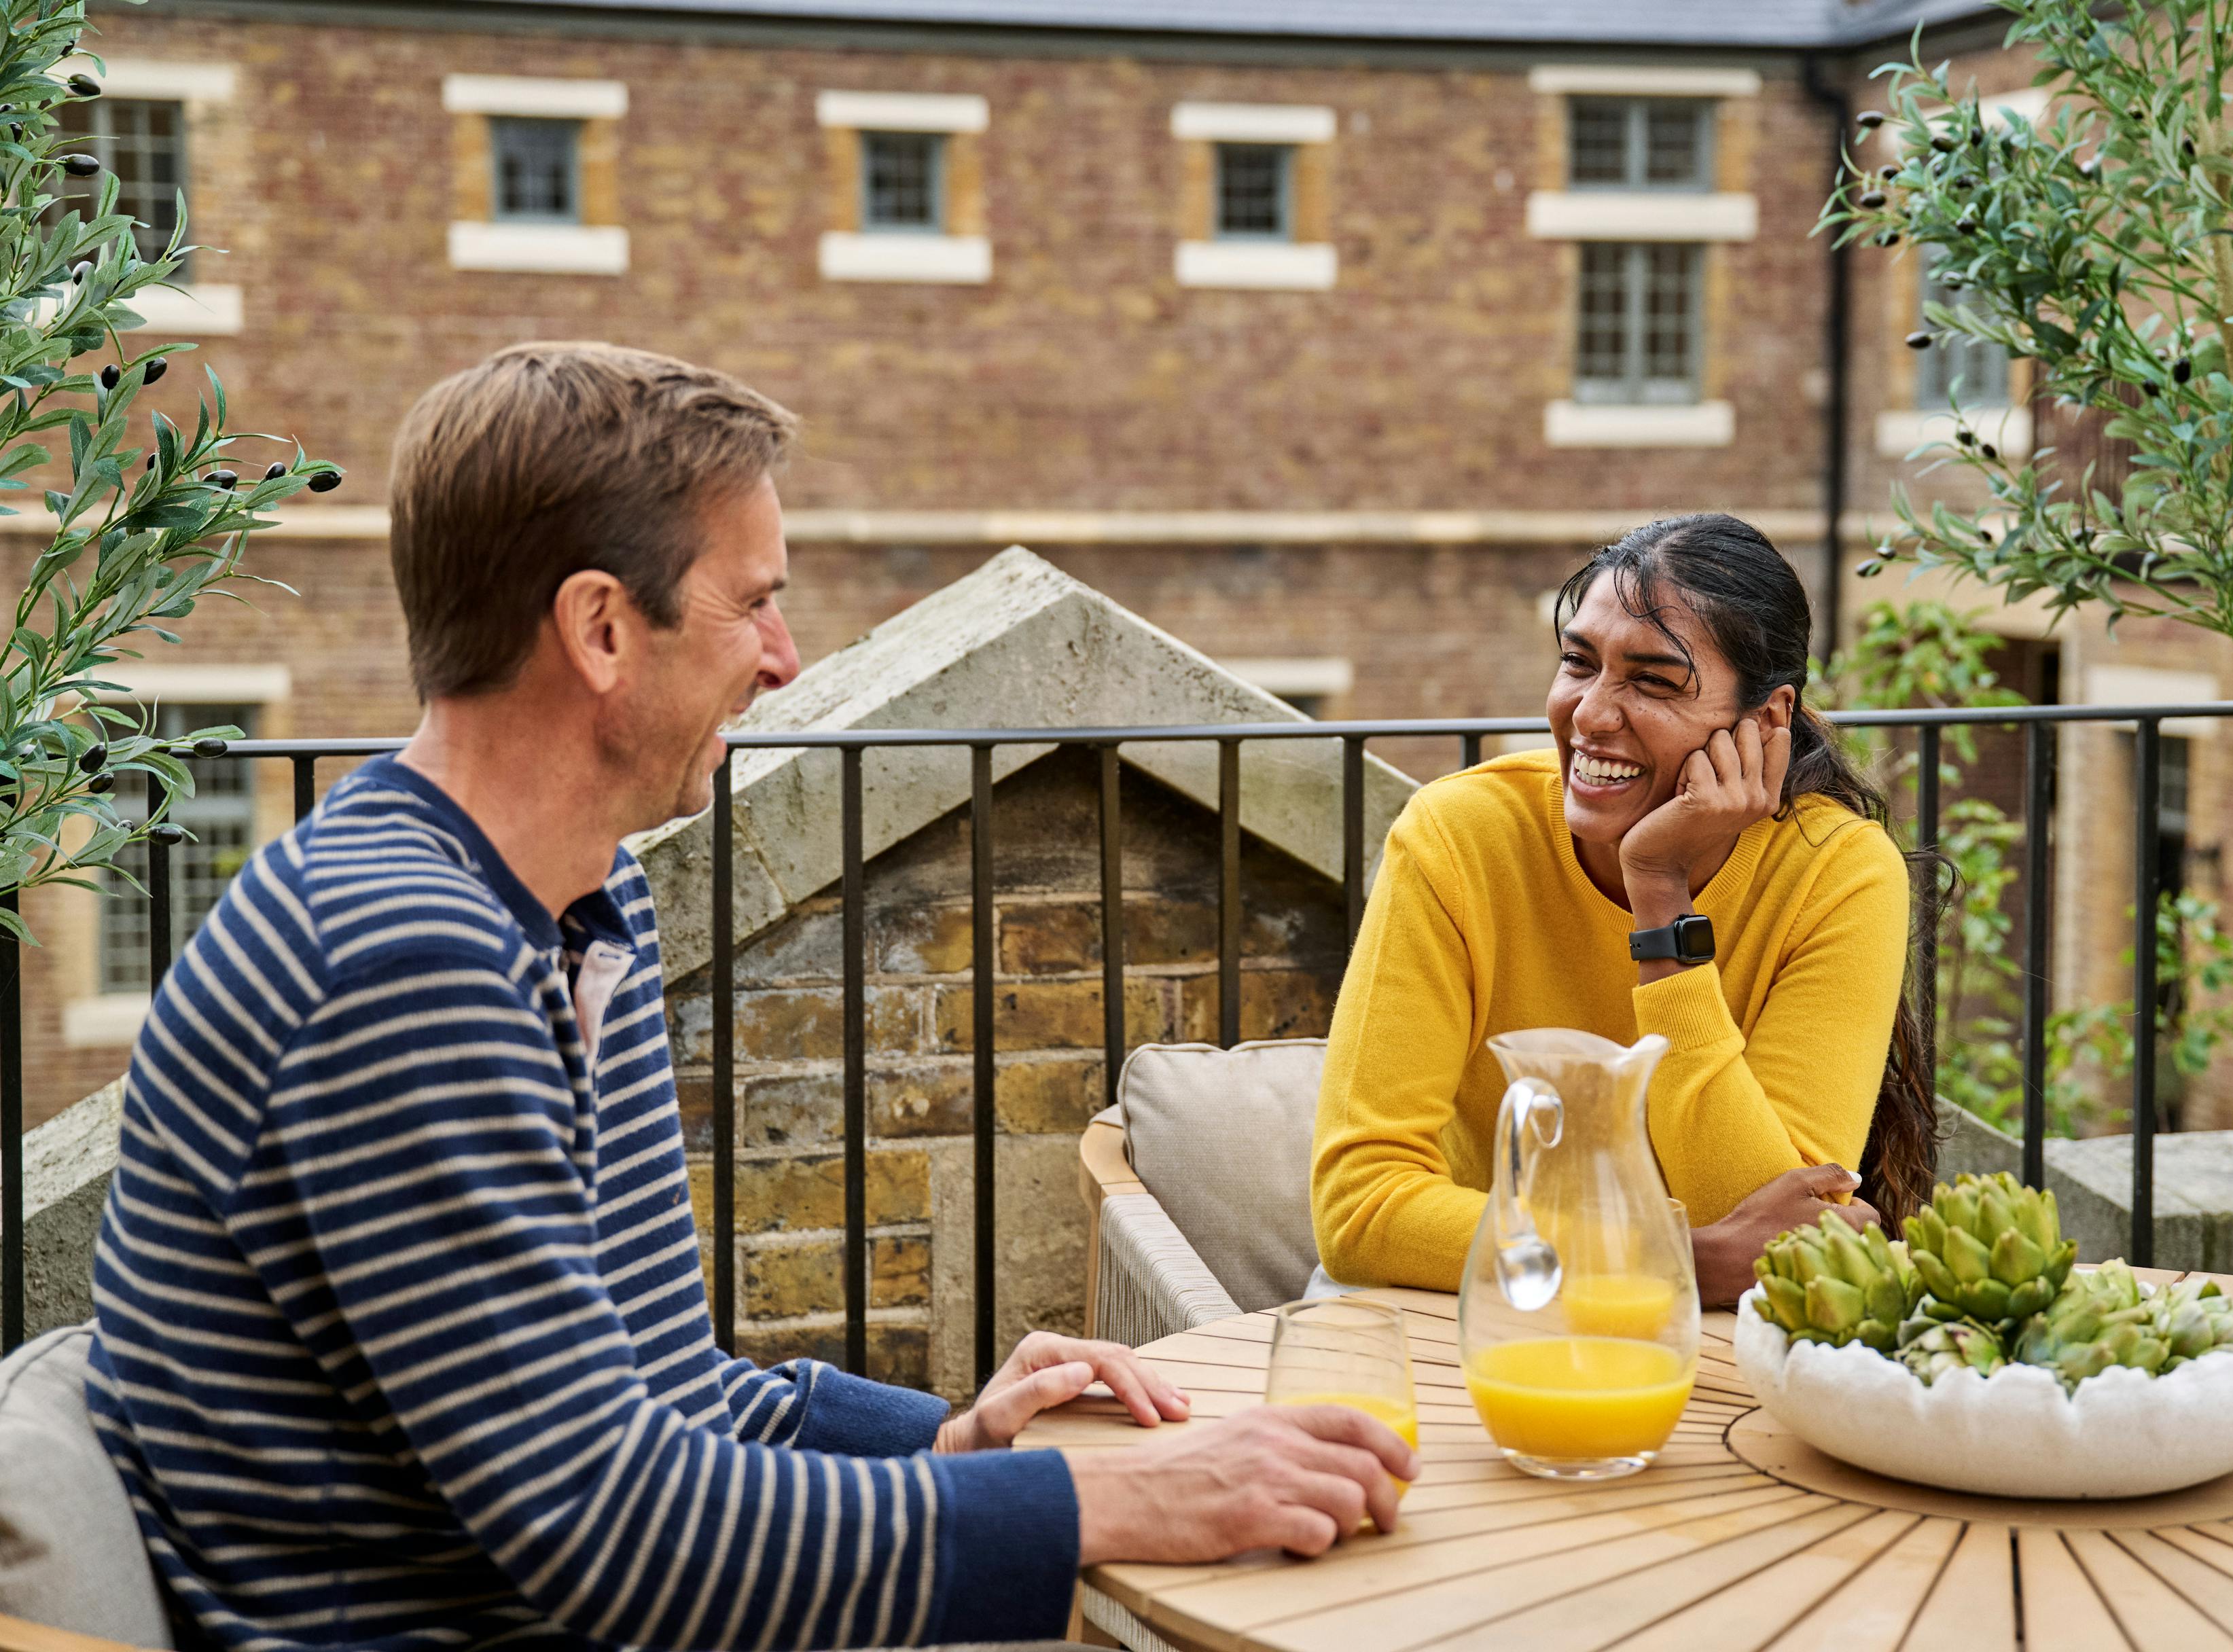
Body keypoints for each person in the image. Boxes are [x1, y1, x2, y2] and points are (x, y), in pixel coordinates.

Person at [85, 342, 1416, 1652]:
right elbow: (619, 1532)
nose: (786, 656)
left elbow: (669, 1397)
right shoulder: (404, 962)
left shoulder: (576, 906)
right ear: (602, 627)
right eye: (752, 602)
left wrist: (951, 1431)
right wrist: (1097, 1498)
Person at [1310, 513, 1929, 1305]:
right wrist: (1670, 1256)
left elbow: (1782, 1232)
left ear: (1767, 719)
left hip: (1709, 1343)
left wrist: (1660, 891)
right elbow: (1361, 1211)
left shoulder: (1837, 874)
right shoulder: (1457, 836)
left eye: (1653, 680)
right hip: (1465, 1308)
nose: (1593, 713)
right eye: (1579, 662)